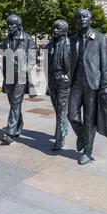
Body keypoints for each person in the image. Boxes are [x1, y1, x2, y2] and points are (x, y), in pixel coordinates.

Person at [68, 8, 107, 165]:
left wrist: (106, 87)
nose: (82, 19)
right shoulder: (72, 40)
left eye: (85, 16)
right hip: (76, 83)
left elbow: (106, 67)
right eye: (78, 17)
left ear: (90, 19)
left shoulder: (101, 39)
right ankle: (82, 136)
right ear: (75, 21)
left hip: (93, 85)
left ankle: (87, 151)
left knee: (89, 119)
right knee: (71, 115)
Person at [1, 14, 37, 144]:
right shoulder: (5, 40)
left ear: (19, 25)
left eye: (12, 24)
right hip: (9, 76)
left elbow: (32, 58)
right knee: (13, 103)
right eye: (8, 24)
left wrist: (25, 69)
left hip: (21, 76)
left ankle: (11, 132)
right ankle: (19, 122)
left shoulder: (27, 39)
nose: (10, 27)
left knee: (16, 103)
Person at [45, 20, 71, 151]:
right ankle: (60, 130)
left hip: (64, 81)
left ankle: (60, 138)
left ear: (64, 30)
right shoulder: (49, 45)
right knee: (57, 109)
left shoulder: (70, 44)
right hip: (52, 80)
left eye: (58, 29)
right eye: (54, 28)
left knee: (61, 110)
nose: (55, 31)